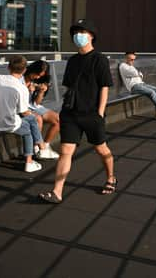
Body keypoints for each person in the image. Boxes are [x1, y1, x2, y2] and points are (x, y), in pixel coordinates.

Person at [39, 19, 116, 204]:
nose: (77, 36)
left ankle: (111, 177)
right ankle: (57, 192)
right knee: (65, 150)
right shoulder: (72, 61)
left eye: (82, 32)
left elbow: (105, 87)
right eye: (75, 32)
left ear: (91, 36)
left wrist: (100, 112)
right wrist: (64, 108)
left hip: (91, 113)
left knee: (101, 148)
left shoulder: (100, 59)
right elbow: (68, 87)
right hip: (71, 113)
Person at [119, 52, 156, 119]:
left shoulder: (131, 66)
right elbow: (135, 73)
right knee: (152, 92)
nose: (133, 61)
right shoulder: (122, 65)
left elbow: (139, 75)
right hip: (134, 87)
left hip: (142, 84)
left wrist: (139, 74)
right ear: (126, 58)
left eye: (134, 59)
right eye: (131, 59)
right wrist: (139, 74)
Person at [23, 60, 60, 159]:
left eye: (41, 75)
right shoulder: (22, 77)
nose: (38, 77)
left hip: (33, 105)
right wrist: (26, 89)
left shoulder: (39, 80)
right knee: (37, 119)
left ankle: (46, 146)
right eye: (38, 74)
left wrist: (41, 92)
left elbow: (36, 103)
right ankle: (37, 148)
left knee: (58, 120)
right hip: (23, 106)